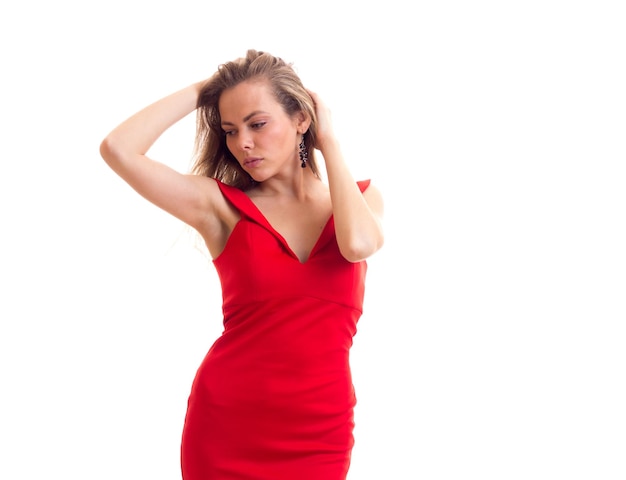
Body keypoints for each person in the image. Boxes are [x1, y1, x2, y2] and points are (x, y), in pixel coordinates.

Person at [100, 49, 384, 480]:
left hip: (319, 432)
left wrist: (331, 145)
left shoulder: (361, 202)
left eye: (258, 123)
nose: (242, 143)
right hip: (228, 424)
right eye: (230, 130)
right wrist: (204, 90)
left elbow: (359, 244)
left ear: (301, 119)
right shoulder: (222, 208)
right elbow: (118, 149)